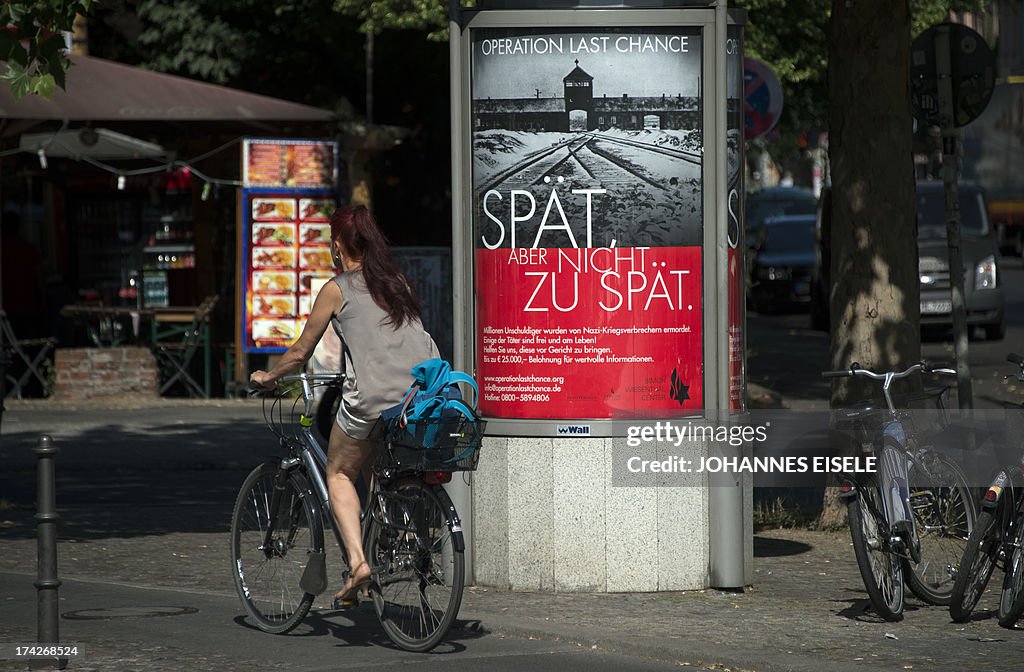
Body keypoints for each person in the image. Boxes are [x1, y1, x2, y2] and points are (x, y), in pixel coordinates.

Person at [250, 204, 438, 603]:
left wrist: (268, 377)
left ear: (338, 246)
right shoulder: (398, 282)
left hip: (372, 399)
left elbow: (301, 351)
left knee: (337, 472)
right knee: (373, 463)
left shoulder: (336, 288)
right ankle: (388, 533)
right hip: (417, 396)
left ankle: (359, 564)